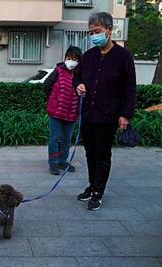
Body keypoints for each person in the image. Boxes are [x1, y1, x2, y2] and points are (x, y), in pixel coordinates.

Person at [74, 12, 136, 211]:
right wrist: (79, 85)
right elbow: (76, 77)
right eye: (91, 32)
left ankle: (98, 192)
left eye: (97, 31)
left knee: (102, 154)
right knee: (90, 153)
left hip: (108, 115)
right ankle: (92, 186)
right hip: (89, 114)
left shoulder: (123, 57)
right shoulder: (88, 56)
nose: (94, 36)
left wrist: (125, 114)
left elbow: (130, 88)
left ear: (109, 30)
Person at [44, 46, 82, 175]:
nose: (71, 61)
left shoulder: (79, 75)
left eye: (74, 59)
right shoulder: (58, 71)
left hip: (71, 112)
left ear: (79, 61)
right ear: (65, 58)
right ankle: (53, 162)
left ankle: (62, 161)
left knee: (66, 138)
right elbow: (46, 85)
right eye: (69, 58)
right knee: (54, 138)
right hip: (56, 112)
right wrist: (54, 99)